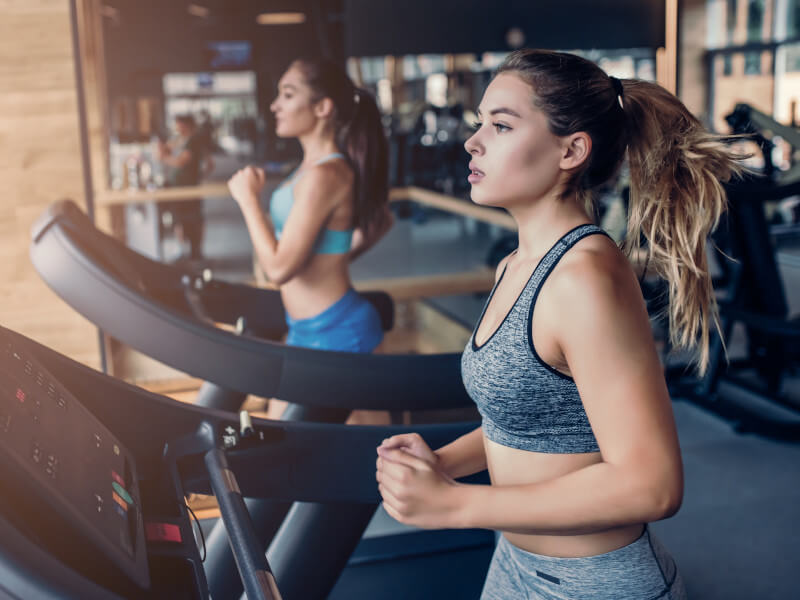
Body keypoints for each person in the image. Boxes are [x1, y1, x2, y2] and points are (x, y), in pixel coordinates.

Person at [375, 49, 742, 599]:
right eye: (480, 123)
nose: (473, 141)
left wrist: (458, 504)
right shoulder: (514, 266)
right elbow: (529, 422)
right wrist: (443, 462)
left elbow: (654, 485)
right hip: (515, 563)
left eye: (500, 125)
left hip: (596, 584)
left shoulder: (584, 278)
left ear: (571, 150)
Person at [227, 57, 393, 421]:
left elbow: (278, 270)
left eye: (288, 95)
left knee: (365, 461)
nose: (275, 105)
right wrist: (332, 260)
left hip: (343, 336)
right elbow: (380, 223)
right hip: (302, 330)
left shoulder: (327, 174)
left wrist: (248, 200)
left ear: (322, 107)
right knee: (280, 443)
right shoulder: (306, 172)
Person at [157, 113, 214, 260]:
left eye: (179, 125)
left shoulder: (193, 141)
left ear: (187, 125)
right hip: (179, 186)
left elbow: (180, 161)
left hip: (188, 187)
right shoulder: (180, 139)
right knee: (180, 219)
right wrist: (163, 149)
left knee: (193, 219)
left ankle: (195, 252)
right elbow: (165, 150)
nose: (177, 128)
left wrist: (164, 158)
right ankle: (184, 251)